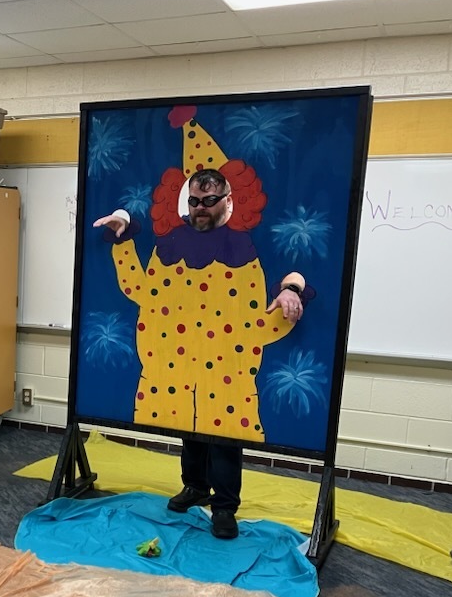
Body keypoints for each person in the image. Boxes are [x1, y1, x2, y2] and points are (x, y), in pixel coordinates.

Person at [93, 168, 311, 539]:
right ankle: (195, 486)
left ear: (227, 200)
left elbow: (263, 314)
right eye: (194, 201)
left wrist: (292, 289)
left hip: (227, 368)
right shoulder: (171, 245)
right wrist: (124, 238)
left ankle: (225, 506)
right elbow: (141, 291)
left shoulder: (243, 252)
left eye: (210, 201)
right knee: (188, 429)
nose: (201, 209)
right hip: (177, 365)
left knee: (224, 435)